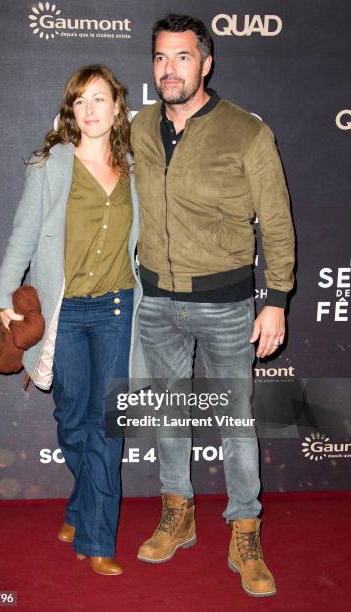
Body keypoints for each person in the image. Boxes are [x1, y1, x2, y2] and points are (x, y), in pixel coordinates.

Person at [130, 14, 295, 597]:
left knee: (235, 421)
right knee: (170, 414)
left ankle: (245, 529)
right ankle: (179, 513)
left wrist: (274, 301)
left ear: (206, 63)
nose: (168, 69)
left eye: (181, 57)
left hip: (226, 305)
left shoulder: (247, 132)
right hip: (155, 302)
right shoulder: (140, 127)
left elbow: (276, 223)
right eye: (160, 57)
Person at [0, 64, 143, 576]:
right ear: (70, 111)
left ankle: (99, 538)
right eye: (80, 102)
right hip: (67, 311)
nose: (90, 110)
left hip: (117, 309)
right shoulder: (50, 166)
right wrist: (1, 300)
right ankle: (80, 508)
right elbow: (22, 237)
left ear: (118, 107)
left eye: (99, 99)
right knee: (73, 419)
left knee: (108, 425)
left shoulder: (134, 169)